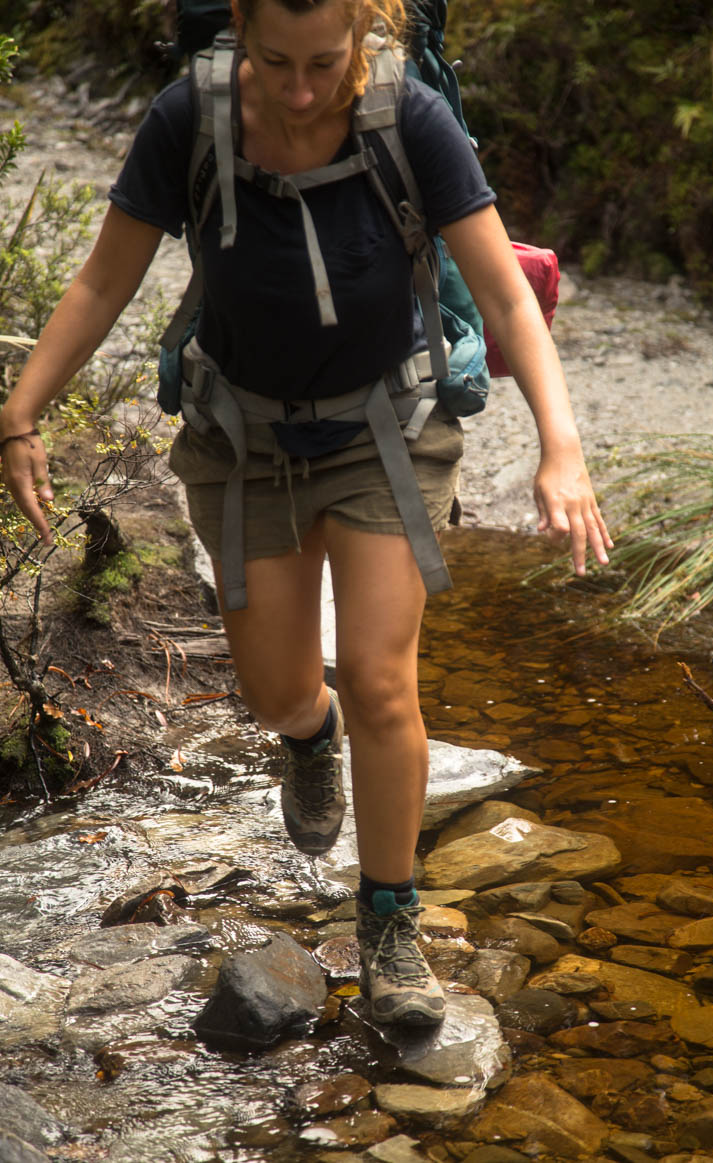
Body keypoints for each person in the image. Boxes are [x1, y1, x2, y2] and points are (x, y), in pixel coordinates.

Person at [0, 0, 612, 1028]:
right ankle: (306, 734)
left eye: (322, 64)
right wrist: (20, 413)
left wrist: (561, 446)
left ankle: (388, 925)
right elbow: (108, 277)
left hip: (387, 428)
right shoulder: (186, 120)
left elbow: (505, 296)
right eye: (274, 63)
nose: (295, 90)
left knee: (380, 675)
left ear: (364, 34)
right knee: (281, 691)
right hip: (243, 440)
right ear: (240, 25)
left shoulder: (409, 119)